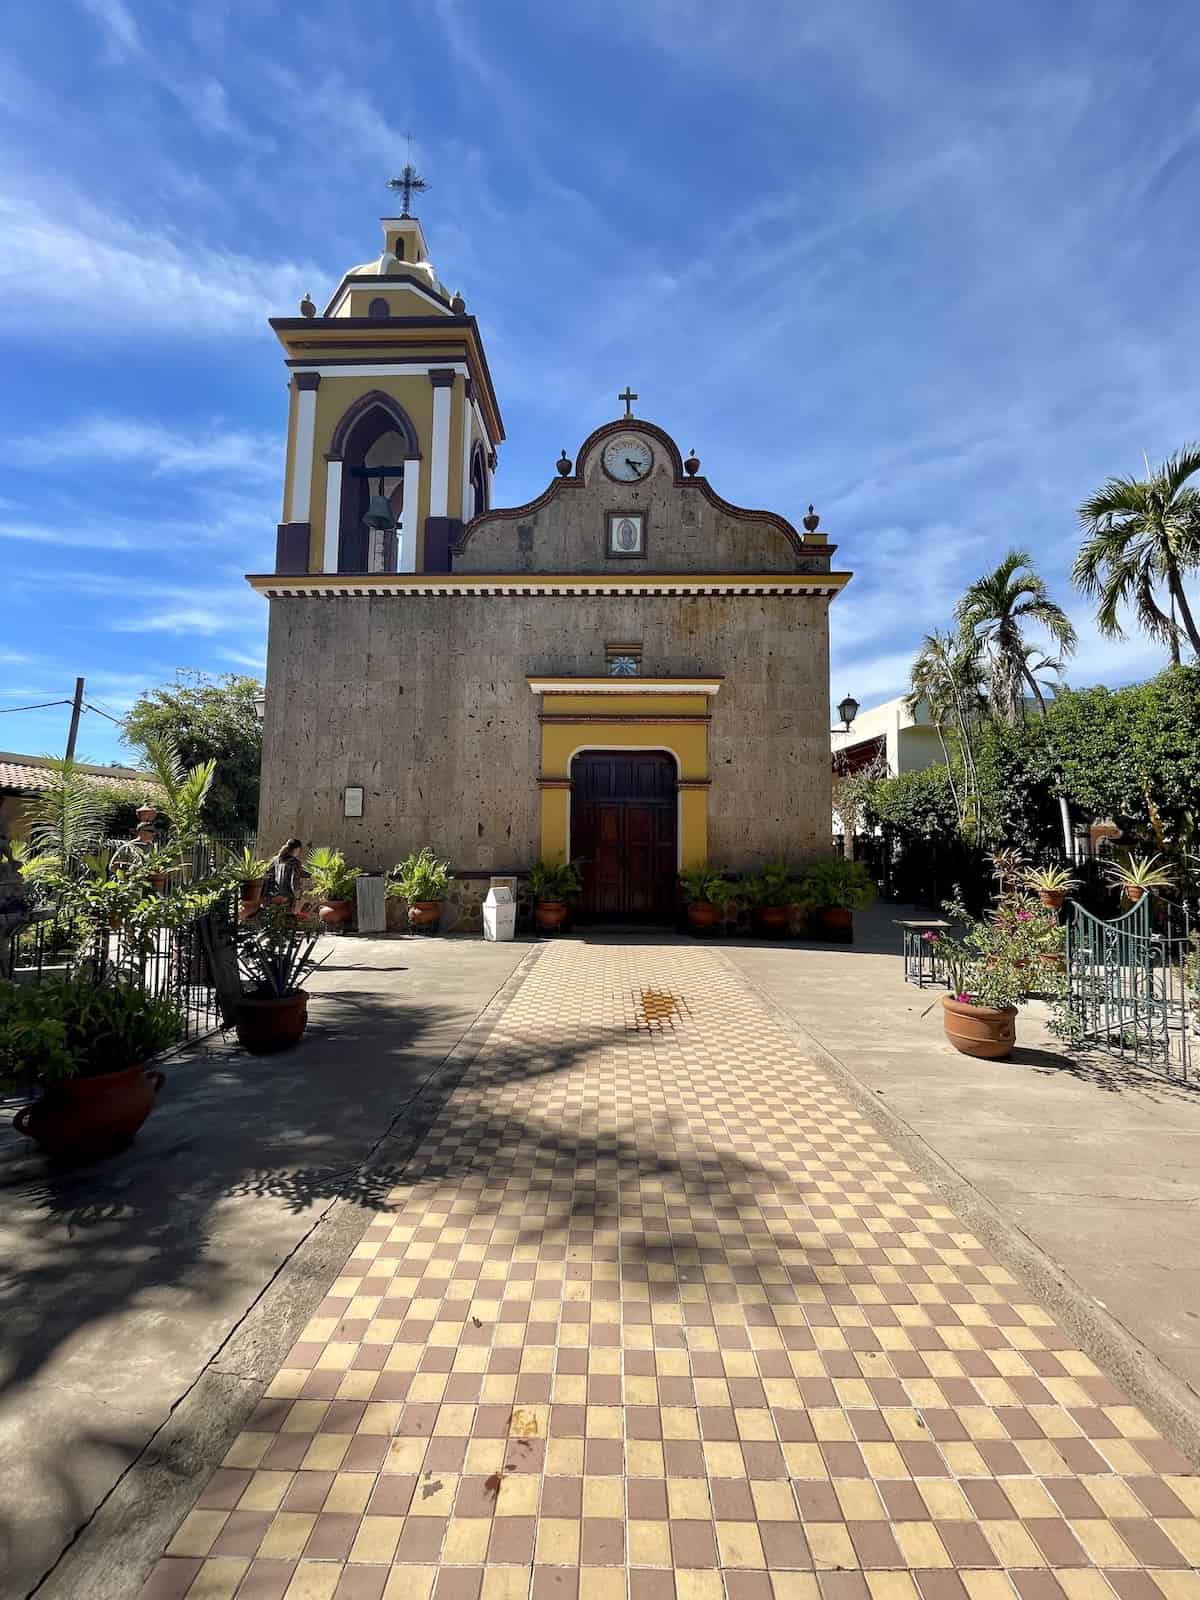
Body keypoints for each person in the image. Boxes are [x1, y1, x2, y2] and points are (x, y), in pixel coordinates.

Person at [263, 839, 310, 910]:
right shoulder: (295, 862)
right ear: (297, 849)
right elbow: (294, 882)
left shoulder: (275, 860)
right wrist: (297, 895)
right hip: (287, 897)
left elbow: (267, 875)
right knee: (286, 918)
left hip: (274, 896)